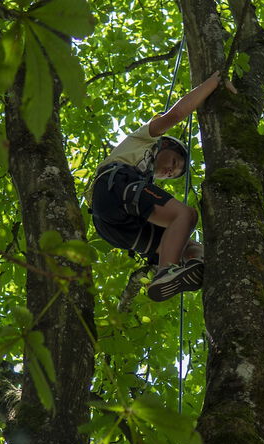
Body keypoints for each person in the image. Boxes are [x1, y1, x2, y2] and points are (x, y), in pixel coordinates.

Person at [90, 71, 230, 302]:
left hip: (115, 227)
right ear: (164, 145)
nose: (170, 171)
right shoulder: (145, 139)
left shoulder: (143, 182)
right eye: (174, 162)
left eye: (173, 174)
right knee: (185, 215)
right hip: (113, 185)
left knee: (188, 244)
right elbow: (176, 114)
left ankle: (194, 264)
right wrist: (214, 81)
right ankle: (166, 271)